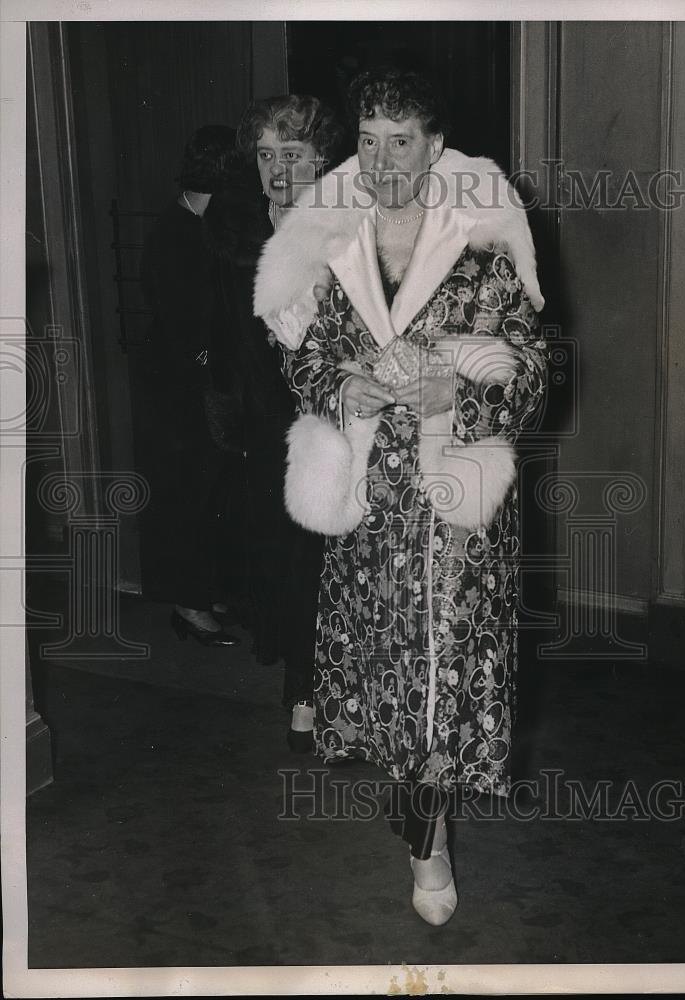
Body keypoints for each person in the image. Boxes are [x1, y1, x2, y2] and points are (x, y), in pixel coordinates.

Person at [254, 68, 547, 924]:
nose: (384, 160)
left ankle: (430, 840)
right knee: (388, 673)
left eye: (402, 142)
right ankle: (419, 807)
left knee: (444, 674)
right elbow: (299, 359)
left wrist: (456, 393)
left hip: (455, 503)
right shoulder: (332, 242)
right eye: (370, 141)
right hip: (371, 501)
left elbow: (529, 372)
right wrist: (346, 388)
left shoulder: (483, 246)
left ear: (434, 147)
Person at [231, 95, 345, 750]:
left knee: (320, 564)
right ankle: (300, 679)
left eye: (292, 155)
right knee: (280, 564)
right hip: (260, 425)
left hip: (328, 424)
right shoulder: (238, 230)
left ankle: (313, 691)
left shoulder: (345, 232)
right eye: (267, 155)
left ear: (321, 159)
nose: (277, 170)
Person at [141, 124, 242, 647]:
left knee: (206, 492)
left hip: (194, 381)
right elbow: (182, 321)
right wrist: (207, 361)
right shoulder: (176, 230)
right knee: (186, 493)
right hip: (179, 388)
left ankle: (201, 592)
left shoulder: (200, 221)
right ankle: (188, 606)